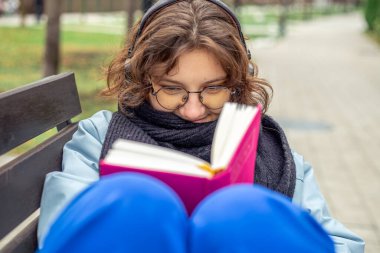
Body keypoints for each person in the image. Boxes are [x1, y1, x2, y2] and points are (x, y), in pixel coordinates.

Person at [37, 0, 365, 252]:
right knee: (135, 199)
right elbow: (63, 229)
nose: (193, 109)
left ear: (237, 83)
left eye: (212, 89)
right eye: (171, 88)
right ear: (138, 79)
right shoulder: (100, 137)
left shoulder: (270, 151)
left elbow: (341, 242)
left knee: (241, 210)